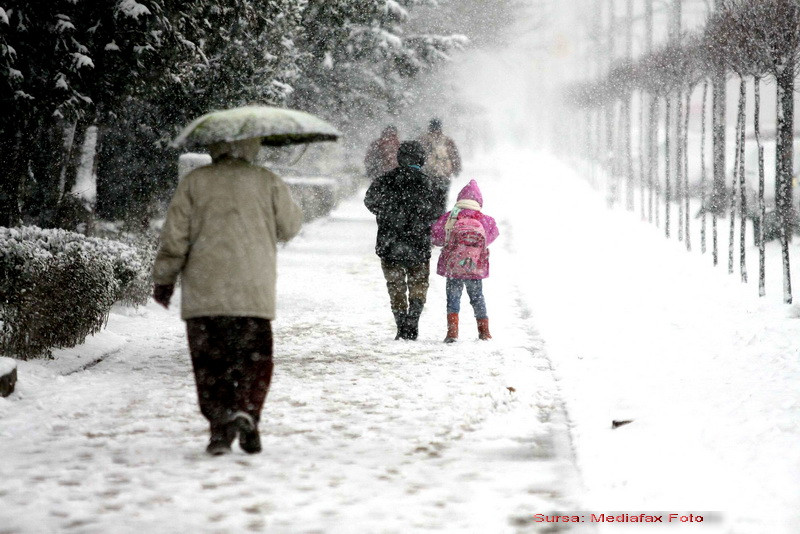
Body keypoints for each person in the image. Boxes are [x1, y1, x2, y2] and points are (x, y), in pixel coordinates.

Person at [152, 137, 303, 456]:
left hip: (205, 293)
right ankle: (248, 410)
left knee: (210, 363)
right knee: (254, 360)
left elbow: (174, 237)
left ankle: (220, 428)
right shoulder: (267, 181)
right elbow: (290, 227)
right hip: (253, 293)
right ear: (253, 146)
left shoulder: (195, 182)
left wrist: (165, 279)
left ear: (214, 146)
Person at [364, 141, 440, 340]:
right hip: (419, 242)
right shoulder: (429, 182)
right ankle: (412, 321)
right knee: (419, 284)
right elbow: (436, 211)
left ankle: (401, 325)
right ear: (421, 159)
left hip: (390, 242)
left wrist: (387, 214)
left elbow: (370, 201)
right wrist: (420, 220)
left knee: (395, 285)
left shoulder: (385, 180)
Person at [431, 179, 498, 343]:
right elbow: (492, 234)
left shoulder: (450, 217)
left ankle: (452, 333)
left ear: (460, 199)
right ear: (479, 201)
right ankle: (484, 332)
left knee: (453, 298)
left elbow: (436, 237)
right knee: (477, 297)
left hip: (454, 267)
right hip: (475, 267)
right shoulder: (484, 219)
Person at [418, 118, 462, 216]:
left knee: (432, 197)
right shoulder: (447, 141)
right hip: (442, 174)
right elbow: (454, 156)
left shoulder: (423, 140)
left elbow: (418, 156)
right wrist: (456, 168)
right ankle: (439, 217)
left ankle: (434, 216)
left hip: (431, 174)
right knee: (440, 197)